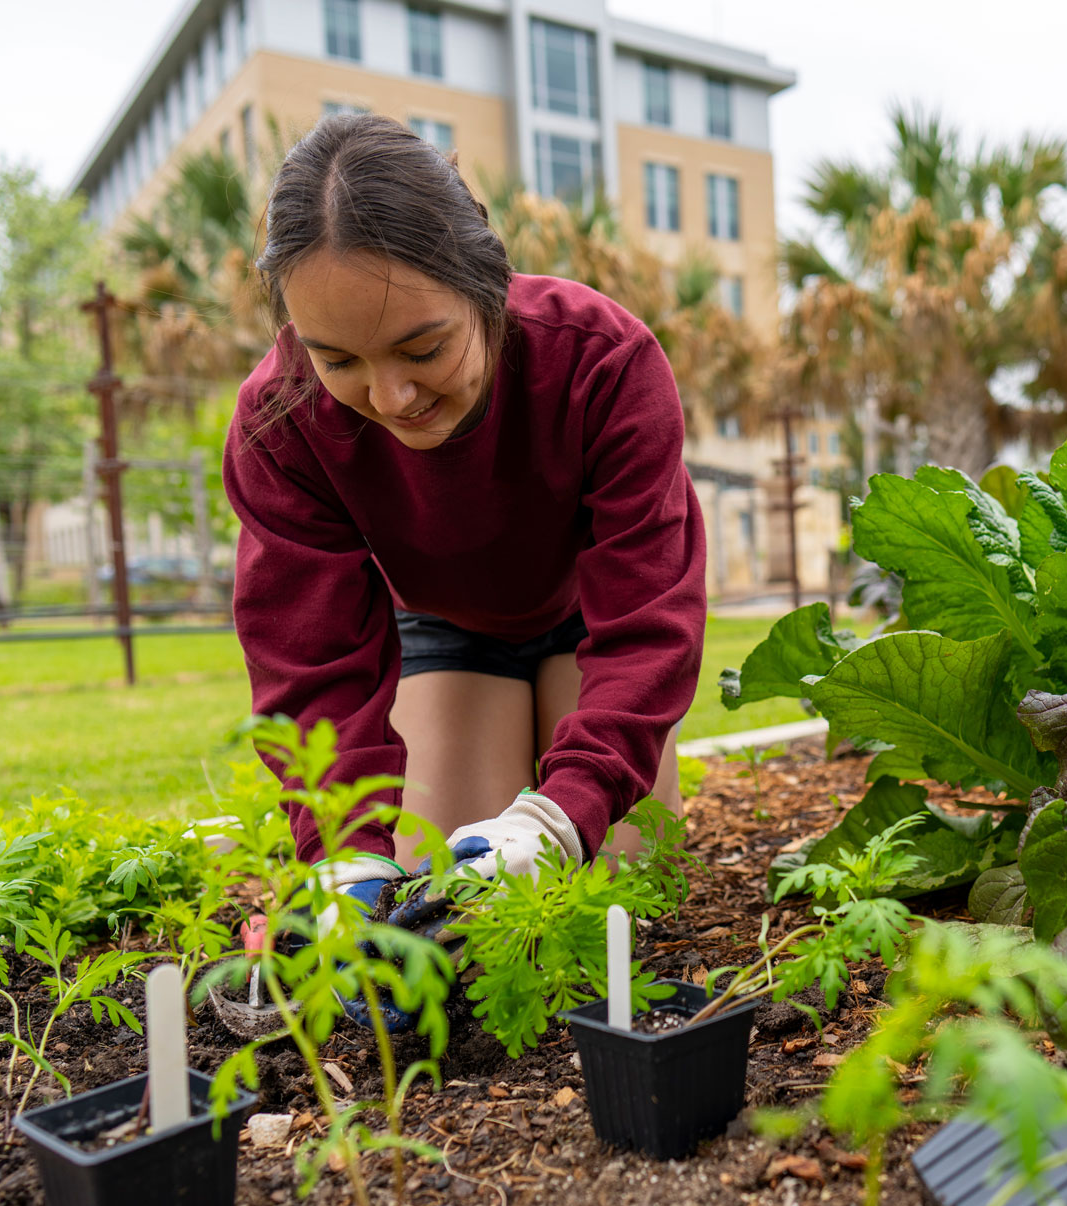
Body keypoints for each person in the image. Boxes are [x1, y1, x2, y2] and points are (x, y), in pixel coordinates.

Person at [223, 114, 706, 1018]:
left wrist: (561, 815)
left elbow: (648, 621)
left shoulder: (604, 361)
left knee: (614, 904)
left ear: (486, 286)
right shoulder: (279, 421)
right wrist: (344, 849)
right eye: (339, 360)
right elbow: (311, 655)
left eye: (423, 348)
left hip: (590, 622)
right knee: (450, 924)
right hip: (445, 625)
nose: (392, 396)